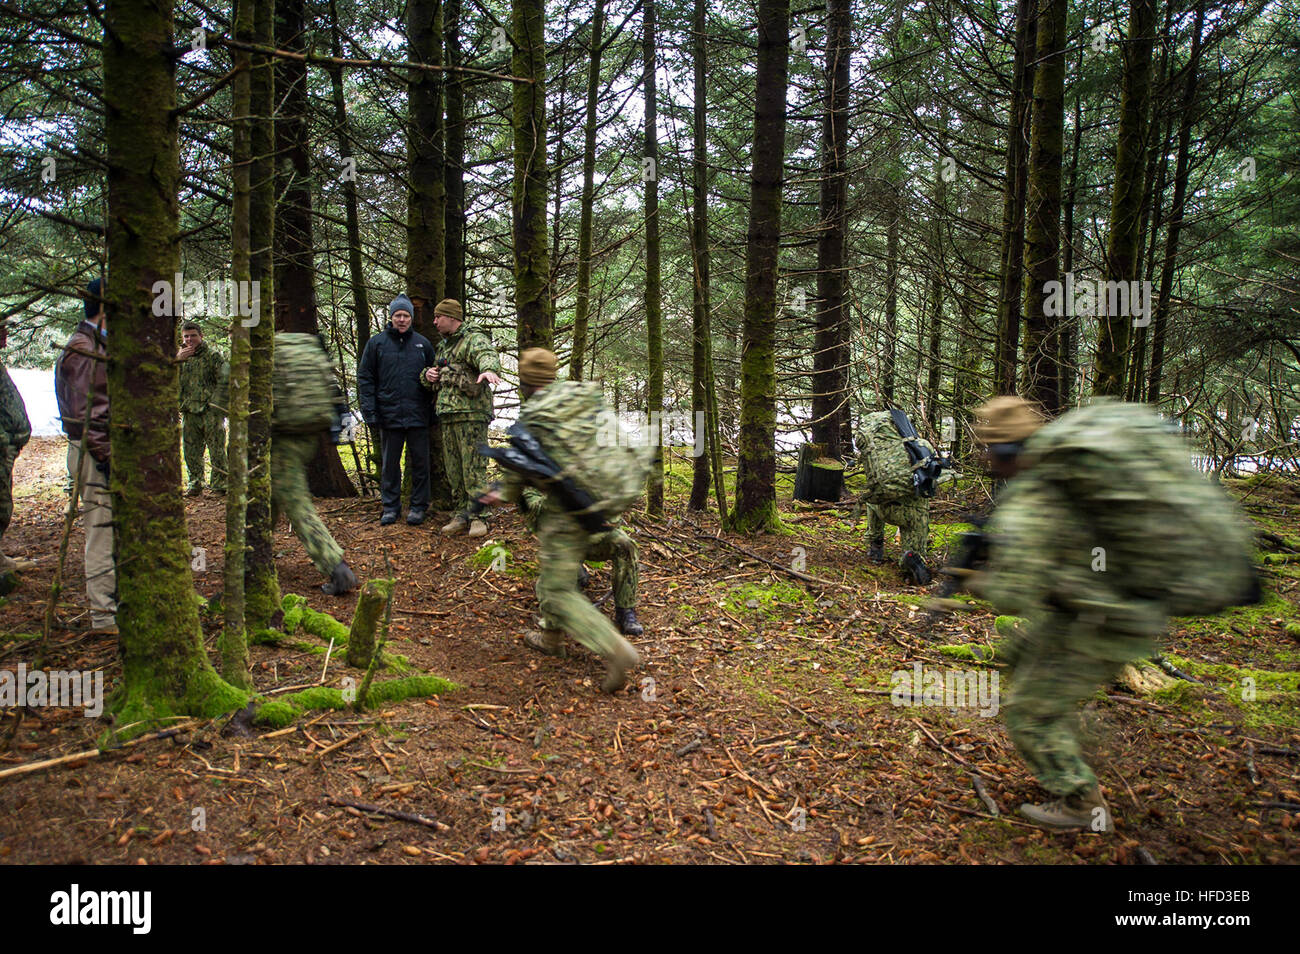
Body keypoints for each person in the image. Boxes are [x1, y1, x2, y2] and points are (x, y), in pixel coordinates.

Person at [969, 396, 1258, 830]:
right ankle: (1071, 740)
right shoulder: (1071, 470)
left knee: (1027, 711)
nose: (988, 460)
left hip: (1104, 621)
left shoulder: (1040, 493)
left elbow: (1014, 594)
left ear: (1004, 452)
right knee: (1023, 653)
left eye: (989, 451)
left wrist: (977, 580)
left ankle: (1082, 804)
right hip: (1108, 607)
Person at [478, 348, 641, 693]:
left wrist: (498, 493)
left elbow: (525, 469)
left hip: (566, 512)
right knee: (559, 576)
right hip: (604, 506)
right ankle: (551, 637)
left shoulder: (537, 416)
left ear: (525, 382)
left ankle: (614, 648)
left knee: (555, 589)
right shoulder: (582, 399)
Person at [272, 333, 358, 596]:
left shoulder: (262, 350)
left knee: (296, 503)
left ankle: (336, 566)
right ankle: (251, 553)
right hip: (307, 434)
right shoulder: (307, 348)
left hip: (279, 437)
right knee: (269, 496)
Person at [54, 278, 117, 634]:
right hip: (93, 450)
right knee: (101, 531)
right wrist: (107, 458)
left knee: (109, 529)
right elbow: (88, 413)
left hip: (95, 447)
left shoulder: (92, 344)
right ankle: (103, 615)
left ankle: (111, 604)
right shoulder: (84, 348)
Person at [422, 299, 501, 537]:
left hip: (471, 414)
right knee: (454, 470)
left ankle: (479, 516)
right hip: (448, 414)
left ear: (452, 318)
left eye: (439, 317)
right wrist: (428, 375)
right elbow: (433, 378)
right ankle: (461, 514)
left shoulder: (473, 338)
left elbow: (487, 355)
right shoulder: (445, 347)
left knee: (473, 468)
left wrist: (489, 369)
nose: (434, 322)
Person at [358, 295, 434, 525]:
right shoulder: (376, 344)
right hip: (388, 415)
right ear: (391, 317)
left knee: (421, 464)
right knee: (390, 465)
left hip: (418, 416)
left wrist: (432, 412)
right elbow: (365, 379)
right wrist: (370, 413)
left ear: (412, 318)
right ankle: (390, 508)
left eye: (406, 315)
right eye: (398, 315)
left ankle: (419, 507)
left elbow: (433, 379)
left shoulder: (423, 344)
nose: (402, 320)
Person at [855, 409, 943, 585]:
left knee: (873, 495)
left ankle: (875, 545)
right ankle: (911, 559)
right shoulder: (922, 444)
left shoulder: (876, 453)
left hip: (881, 508)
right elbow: (933, 478)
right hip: (911, 515)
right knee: (920, 505)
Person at [177, 321, 228, 496]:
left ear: (201, 336)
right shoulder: (180, 358)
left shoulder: (213, 356)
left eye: (193, 336)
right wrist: (177, 361)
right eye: (186, 336)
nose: (189, 339)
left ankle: (220, 485)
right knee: (190, 450)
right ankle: (195, 483)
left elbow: (225, 380)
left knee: (217, 449)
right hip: (189, 411)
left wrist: (217, 405)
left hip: (210, 411)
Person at [0, 323, 33, 588]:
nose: (5, 334)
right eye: (1, 328)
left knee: (4, 504)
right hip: (2, 447)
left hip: (6, 449)